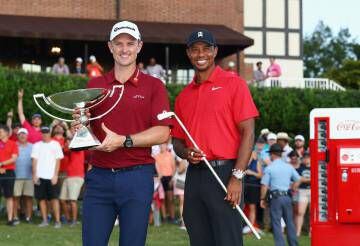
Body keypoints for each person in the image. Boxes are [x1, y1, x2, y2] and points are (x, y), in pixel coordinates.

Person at [73, 21, 172, 246]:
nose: (124, 49)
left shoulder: (154, 86)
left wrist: (124, 141)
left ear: (139, 46)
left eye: (130, 43)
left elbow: (163, 132)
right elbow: (85, 127)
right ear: (110, 47)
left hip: (136, 177)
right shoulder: (96, 84)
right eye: (119, 43)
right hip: (99, 176)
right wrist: (81, 128)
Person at [172, 29, 259, 246]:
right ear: (189, 54)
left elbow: (248, 132)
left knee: (227, 239)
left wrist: (237, 177)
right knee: (198, 237)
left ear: (215, 51)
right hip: (195, 175)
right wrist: (185, 152)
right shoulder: (183, 96)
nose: (201, 54)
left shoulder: (234, 83)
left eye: (206, 49)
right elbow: (177, 141)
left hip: (225, 173)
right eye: (195, 49)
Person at [260, 143, 300, 246]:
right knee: (290, 223)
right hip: (287, 197)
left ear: (272, 154)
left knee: (276, 223)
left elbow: (264, 185)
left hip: (276, 198)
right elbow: (298, 179)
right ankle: (293, 244)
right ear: (280, 154)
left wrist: (262, 199)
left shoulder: (269, 168)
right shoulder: (289, 167)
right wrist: (293, 187)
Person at [31, 126, 64, 228]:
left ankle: (57, 221)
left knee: (54, 199)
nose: (44, 135)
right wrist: (35, 175)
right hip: (40, 176)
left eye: (46, 133)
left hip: (51, 177)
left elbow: (58, 161)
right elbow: (34, 161)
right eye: (43, 133)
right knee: (41, 199)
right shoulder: (36, 145)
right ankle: (45, 220)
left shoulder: (55, 144)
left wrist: (55, 175)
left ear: (50, 134)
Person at [59, 127, 85, 227]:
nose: (67, 142)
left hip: (76, 176)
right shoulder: (68, 150)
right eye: (67, 141)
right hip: (68, 176)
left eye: (69, 141)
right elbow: (64, 149)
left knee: (73, 200)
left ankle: (74, 220)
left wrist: (66, 128)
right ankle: (69, 218)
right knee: (62, 199)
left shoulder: (78, 147)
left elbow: (72, 140)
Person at [243, 138, 263, 234]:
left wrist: (251, 172)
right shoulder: (243, 159)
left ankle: (251, 227)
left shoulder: (257, 161)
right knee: (241, 206)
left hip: (253, 186)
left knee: (252, 207)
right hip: (243, 184)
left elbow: (260, 175)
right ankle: (242, 226)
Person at [13, 128, 34, 224]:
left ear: (27, 135)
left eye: (24, 134)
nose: (22, 135)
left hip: (29, 176)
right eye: (20, 134)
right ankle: (15, 217)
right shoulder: (14, 145)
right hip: (16, 176)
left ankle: (28, 217)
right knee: (16, 197)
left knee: (28, 197)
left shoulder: (32, 146)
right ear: (17, 136)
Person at [0, 124, 19, 226]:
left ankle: (10, 219)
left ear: (7, 133)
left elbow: (14, 158)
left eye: (0, 132)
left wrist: (2, 164)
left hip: (9, 173)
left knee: (9, 196)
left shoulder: (13, 144)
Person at [294, 151, 311, 236]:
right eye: (304, 157)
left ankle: (311, 232)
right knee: (300, 212)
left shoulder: (315, 166)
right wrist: (309, 180)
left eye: (307, 157)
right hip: (302, 191)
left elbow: (315, 179)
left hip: (312, 191)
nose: (305, 158)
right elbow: (298, 178)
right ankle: (298, 232)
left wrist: (303, 179)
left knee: (312, 213)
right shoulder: (300, 168)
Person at [173, 158, 188, 230]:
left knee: (183, 203)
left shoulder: (183, 161)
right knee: (183, 203)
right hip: (181, 182)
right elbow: (180, 171)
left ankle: (184, 222)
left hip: (182, 182)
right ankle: (183, 222)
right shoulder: (183, 161)